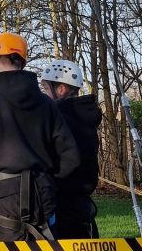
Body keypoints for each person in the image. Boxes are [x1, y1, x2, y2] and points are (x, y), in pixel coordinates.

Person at [0, 32, 80, 242]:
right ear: (23, 61)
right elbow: (70, 157)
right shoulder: (47, 105)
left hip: (3, 198)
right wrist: (47, 179)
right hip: (44, 196)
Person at [41, 59, 101, 238]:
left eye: (45, 89)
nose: (44, 95)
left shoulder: (61, 119)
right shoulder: (85, 116)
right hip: (82, 205)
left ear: (60, 89)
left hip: (63, 208)